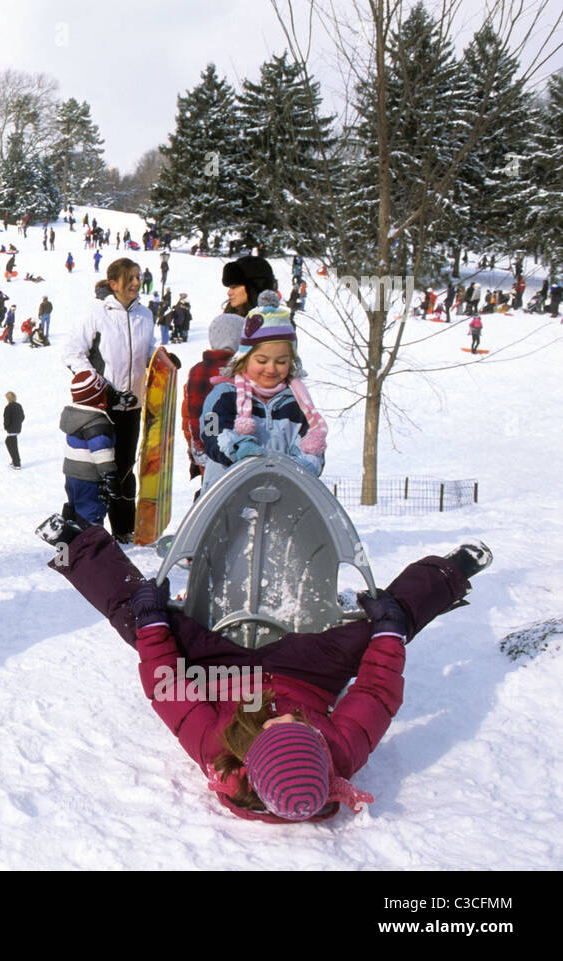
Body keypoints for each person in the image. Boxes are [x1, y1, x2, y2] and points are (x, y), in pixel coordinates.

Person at [40, 511, 493, 822]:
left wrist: (155, 621)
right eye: (303, 727)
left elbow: (169, 687)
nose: (287, 712)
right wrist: (389, 631)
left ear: (247, 751)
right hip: (309, 673)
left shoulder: (216, 748)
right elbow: (376, 691)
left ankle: (77, 546)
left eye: (273, 726)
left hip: (224, 675)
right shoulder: (342, 751)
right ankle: (448, 574)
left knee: (137, 621)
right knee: (383, 629)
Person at [63, 257, 155, 543]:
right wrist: (103, 387)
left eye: (138, 277)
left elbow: (147, 352)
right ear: (114, 284)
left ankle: (124, 530)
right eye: (130, 278)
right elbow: (72, 353)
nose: (137, 283)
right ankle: (88, 531)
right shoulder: (96, 314)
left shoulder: (146, 315)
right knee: (99, 469)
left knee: (125, 467)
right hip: (101, 408)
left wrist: (160, 360)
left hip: (133, 405)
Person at [199, 293, 327, 493]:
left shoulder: (298, 402)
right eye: (262, 360)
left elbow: (311, 442)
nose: (271, 369)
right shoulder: (223, 395)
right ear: (244, 358)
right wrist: (236, 448)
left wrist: (303, 467)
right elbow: (211, 430)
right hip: (227, 497)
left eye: (281, 361)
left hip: (281, 497)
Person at [182, 314, 243, 492]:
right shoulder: (241, 370)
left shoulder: (199, 369)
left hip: (207, 442)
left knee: (211, 492)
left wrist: (199, 445)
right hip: (234, 445)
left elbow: (194, 412)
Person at [61, 371, 117, 525]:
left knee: (74, 507)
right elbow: (101, 451)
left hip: (71, 474)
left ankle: (69, 540)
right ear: (98, 397)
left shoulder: (75, 416)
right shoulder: (96, 422)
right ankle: (91, 544)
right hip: (89, 477)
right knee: (90, 511)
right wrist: (110, 476)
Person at [3, 391, 24, 468]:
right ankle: (15, 460)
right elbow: (22, 416)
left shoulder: (8, 407)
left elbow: (6, 419)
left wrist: (6, 426)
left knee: (12, 444)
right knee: (9, 442)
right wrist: (18, 423)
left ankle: (17, 463)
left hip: (11, 429)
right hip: (17, 428)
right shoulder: (19, 406)